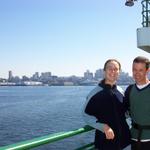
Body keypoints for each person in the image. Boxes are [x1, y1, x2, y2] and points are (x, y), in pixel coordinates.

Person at [83, 59, 131, 150]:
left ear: (119, 72)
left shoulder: (121, 91)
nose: (113, 71)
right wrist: (103, 127)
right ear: (104, 71)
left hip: (126, 142)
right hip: (105, 143)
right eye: (110, 68)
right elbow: (85, 115)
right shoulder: (95, 93)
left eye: (116, 69)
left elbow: (126, 113)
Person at [124, 56, 150, 150]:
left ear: (147, 71)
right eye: (134, 70)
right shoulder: (129, 90)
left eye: (141, 70)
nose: (137, 73)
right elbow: (124, 111)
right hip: (134, 138)